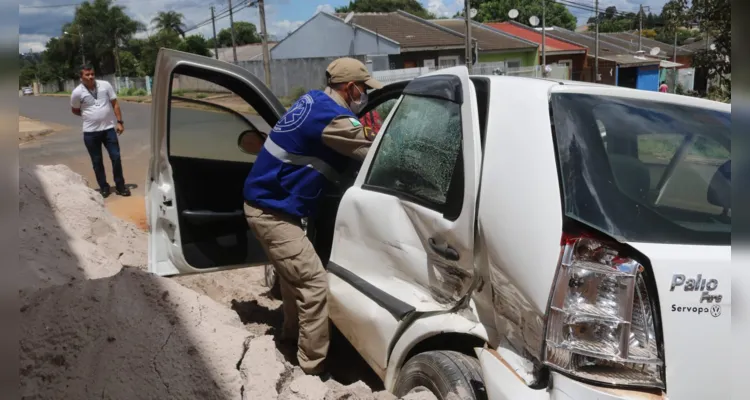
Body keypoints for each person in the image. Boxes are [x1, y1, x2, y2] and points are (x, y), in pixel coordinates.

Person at [242, 57, 383, 377]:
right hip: (272, 213)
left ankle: (290, 340)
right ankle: (311, 369)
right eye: (363, 89)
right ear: (350, 88)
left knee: (294, 283)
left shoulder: (312, 99)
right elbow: (376, 149)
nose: (365, 96)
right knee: (314, 285)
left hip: (266, 205)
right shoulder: (334, 119)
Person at [70, 65, 130, 198]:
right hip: (90, 133)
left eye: (92, 74)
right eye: (87, 75)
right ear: (81, 78)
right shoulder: (77, 93)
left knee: (116, 157)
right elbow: (74, 110)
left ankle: (120, 186)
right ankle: (104, 187)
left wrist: (120, 122)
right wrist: (88, 115)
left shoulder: (105, 85)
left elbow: (114, 103)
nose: (91, 77)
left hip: (109, 129)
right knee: (97, 162)